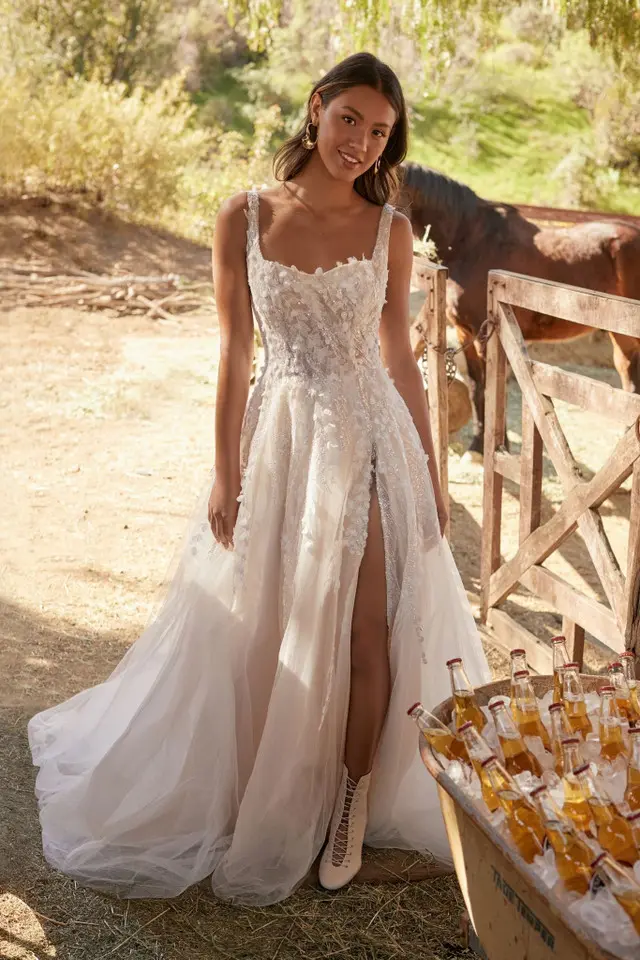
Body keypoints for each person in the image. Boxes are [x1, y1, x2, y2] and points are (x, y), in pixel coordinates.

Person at [28, 52, 490, 907]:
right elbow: (235, 354)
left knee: (368, 628)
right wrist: (224, 466)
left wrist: (428, 469)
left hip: (373, 435)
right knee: (269, 619)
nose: (360, 142)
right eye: (350, 118)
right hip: (282, 434)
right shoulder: (242, 216)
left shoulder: (389, 228)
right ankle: (267, 784)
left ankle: (349, 806)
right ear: (316, 109)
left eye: (380, 132)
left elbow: (399, 355)